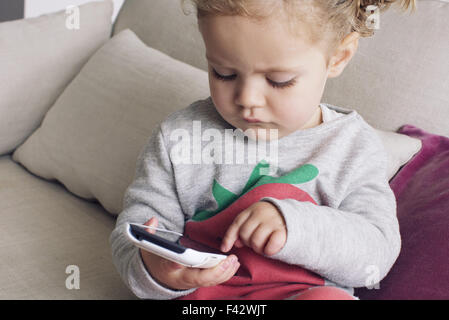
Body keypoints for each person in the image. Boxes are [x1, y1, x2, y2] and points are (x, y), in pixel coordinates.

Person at [110, 0, 416, 300]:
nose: (247, 99)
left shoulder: (353, 148)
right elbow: (134, 232)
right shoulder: (180, 137)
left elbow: (377, 253)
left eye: (278, 81)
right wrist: (157, 270)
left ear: (338, 57)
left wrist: (294, 225)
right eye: (223, 73)